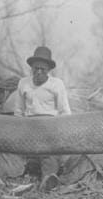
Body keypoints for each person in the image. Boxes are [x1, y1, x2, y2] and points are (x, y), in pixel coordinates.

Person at [12, 46, 72, 190]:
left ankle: (47, 180)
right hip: (28, 126)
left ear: (48, 70)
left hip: (49, 127)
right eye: (36, 68)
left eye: (42, 69)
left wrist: (59, 133)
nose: (38, 72)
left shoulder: (56, 84)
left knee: (49, 152)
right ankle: (2, 177)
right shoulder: (23, 83)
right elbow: (18, 111)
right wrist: (18, 131)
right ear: (31, 68)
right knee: (6, 148)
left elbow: (65, 112)